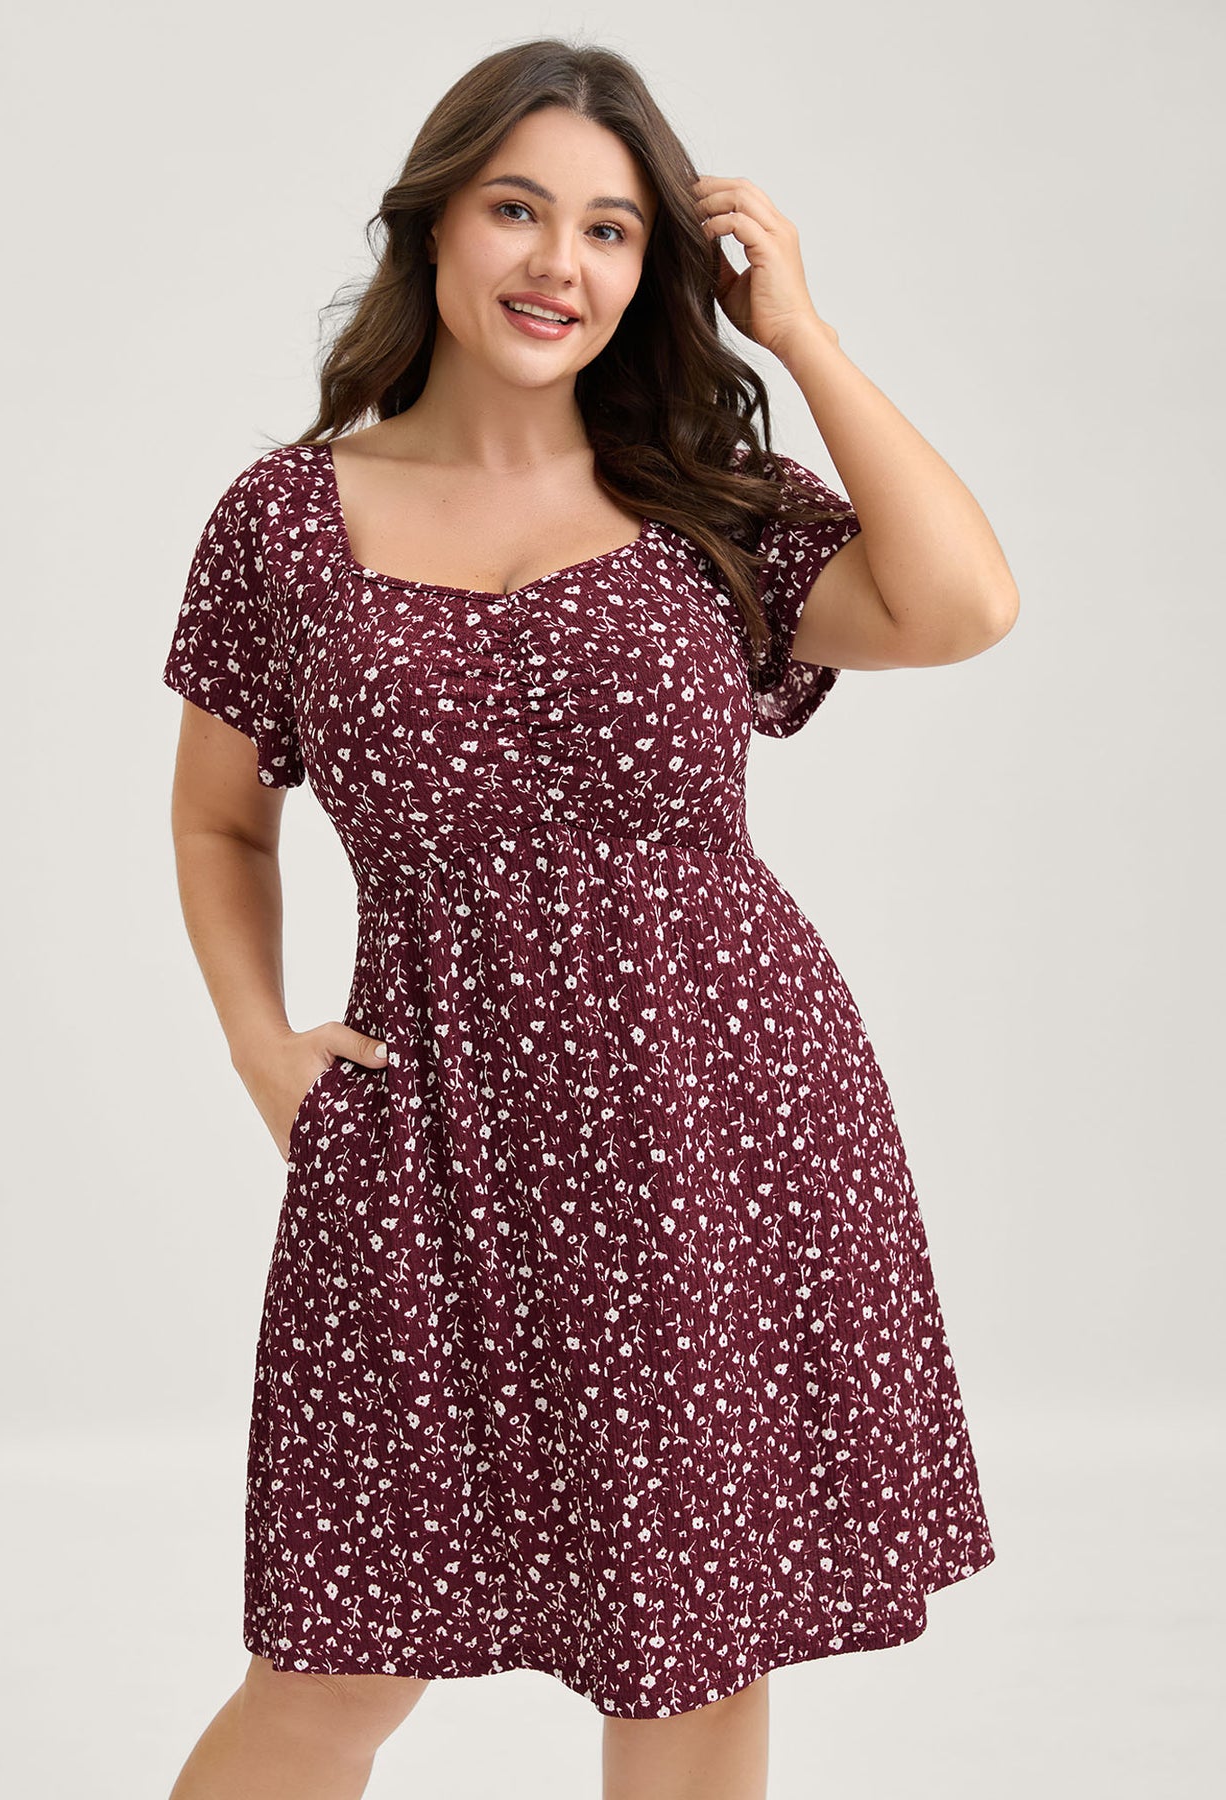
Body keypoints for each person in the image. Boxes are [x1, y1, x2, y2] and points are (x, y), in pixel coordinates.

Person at [160, 35, 1014, 1800]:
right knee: (332, 1659)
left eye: (611, 230)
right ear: (433, 225)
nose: (560, 262)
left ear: (651, 270)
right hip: (429, 1135)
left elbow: (959, 604)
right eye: (517, 210)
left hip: (719, 1120)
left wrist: (801, 336)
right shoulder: (284, 521)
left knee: (690, 1658)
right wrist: (258, 1044)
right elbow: (220, 816)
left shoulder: (699, 503)